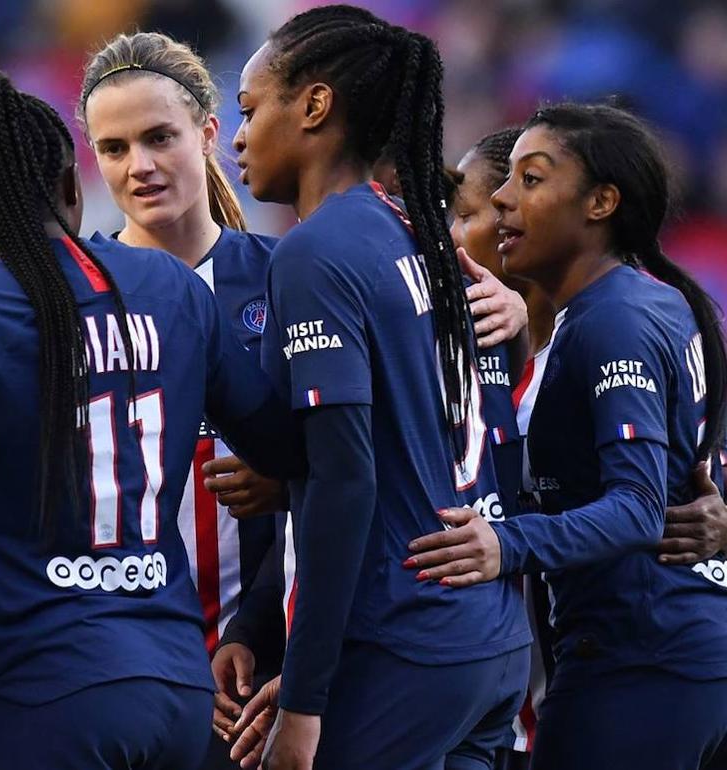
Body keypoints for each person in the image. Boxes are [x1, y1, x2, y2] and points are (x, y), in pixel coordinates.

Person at [0, 71, 300, 770]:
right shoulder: (174, 287)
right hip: (180, 686)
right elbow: (290, 445)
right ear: (72, 184)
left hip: (48, 687)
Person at [226, 6, 531, 769]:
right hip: (486, 642)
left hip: (399, 644)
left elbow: (345, 480)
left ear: (315, 105)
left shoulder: (317, 252)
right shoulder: (422, 232)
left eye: (250, 108)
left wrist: (303, 699)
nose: (237, 136)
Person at [407, 102, 727, 770]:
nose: (500, 203)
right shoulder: (652, 305)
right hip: (675, 656)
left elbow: (638, 507)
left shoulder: (613, 321)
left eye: (530, 180)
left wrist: (504, 541)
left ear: (601, 203)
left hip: (639, 662)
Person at [77, 32, 288, 766]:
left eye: (160, 137)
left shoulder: (286, 279)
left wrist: (516, 322)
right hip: (125, 669)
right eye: (113, 148)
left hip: (258, 672)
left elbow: (355, 457)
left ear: (207, 133)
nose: (139, 166)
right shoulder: (70, 299)